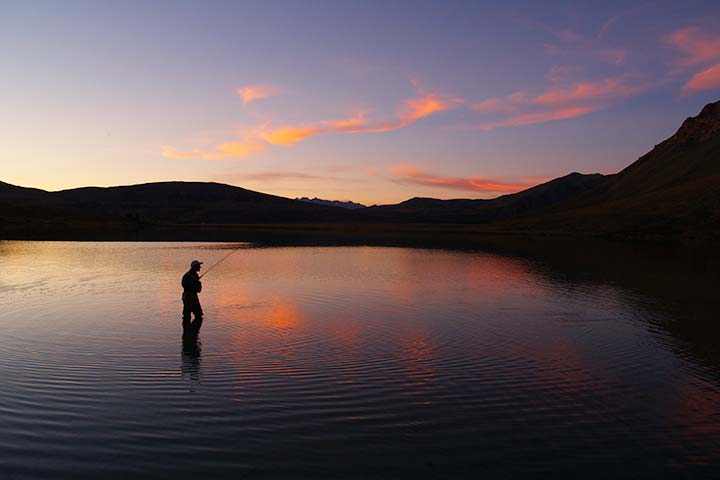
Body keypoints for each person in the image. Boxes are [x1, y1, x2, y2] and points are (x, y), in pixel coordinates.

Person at [182, 260, 203, 327]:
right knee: (187, 315)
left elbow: (199, 290)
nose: (200, 267)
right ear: (194, 267)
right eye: (198, 266)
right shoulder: (187, 276)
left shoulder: (195, 275)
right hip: (188, 296)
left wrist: (197, 283)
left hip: (193, 296)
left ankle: (191, 333)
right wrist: (194, 283)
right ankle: (188, 332)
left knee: (198, 314)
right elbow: (184, 285)